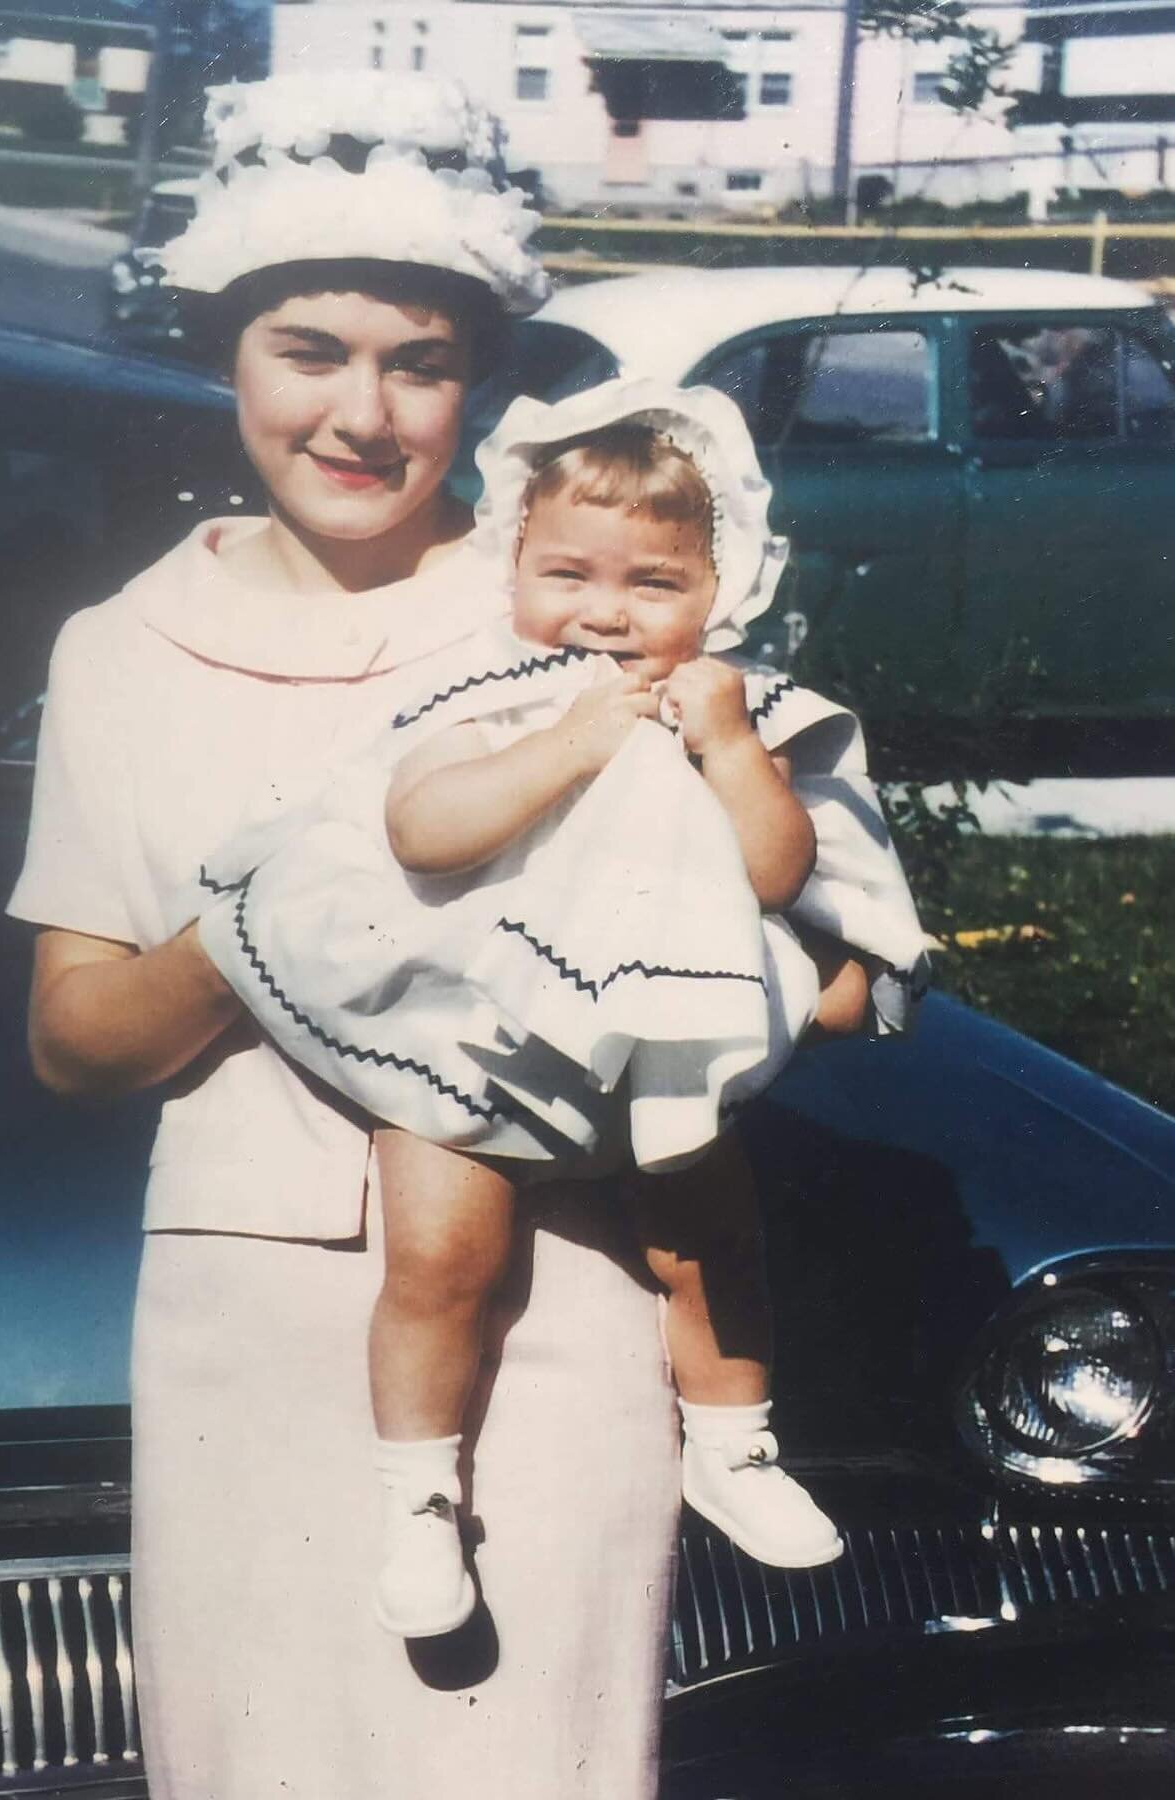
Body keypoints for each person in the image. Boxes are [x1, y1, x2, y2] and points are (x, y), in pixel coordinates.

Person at [10, 70, 812, 1799]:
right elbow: (76, 1038)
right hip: (244, 1302)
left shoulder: (586, 591)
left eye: (420, 362)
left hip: (554, 1286)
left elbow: (789, 910)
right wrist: (279, 915)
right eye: (310, 350)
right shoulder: (122, 649)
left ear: (479, 383)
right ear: (227, 356)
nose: (362, 413)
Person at [191, 379, 929, 1640]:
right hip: (465, 1041)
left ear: (722, 589)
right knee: (441, 1258)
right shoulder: (483, 695)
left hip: (655, 1053)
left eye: (655, 584)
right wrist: (576, 743)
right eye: (569, 575)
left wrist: (732, 750)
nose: (604, 613)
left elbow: (776, 875)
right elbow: (425, 831)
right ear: (513, 568)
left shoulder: (739, 712)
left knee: (709, 1239)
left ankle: (734, 1444)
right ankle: (419, 1497)